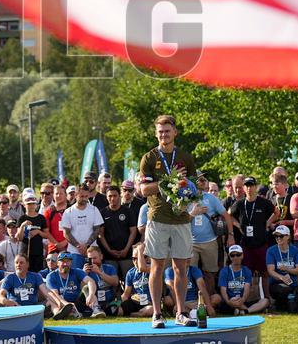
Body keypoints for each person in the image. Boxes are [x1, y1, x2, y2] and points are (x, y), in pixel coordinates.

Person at [138, 114, 200, 328]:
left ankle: (181, 312)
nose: (164, 134)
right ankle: (156, 314)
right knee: (156, 267)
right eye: (160, 132)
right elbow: (144, 189)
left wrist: (195, 186)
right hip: (158, 217)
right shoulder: (149, 158)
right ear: (156, 134)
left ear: (175, 132)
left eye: (167, 131)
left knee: (181, 268)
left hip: (181, 218)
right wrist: (169, 181)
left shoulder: (186, 157)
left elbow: (193, 187)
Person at [229, 176, 277, 302]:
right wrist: (237, 225)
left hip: (261, 244)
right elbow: (228, 215)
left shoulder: (263, 202)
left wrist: (267, 223)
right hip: (246, 244)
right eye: (247, 186)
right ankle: (248, 300)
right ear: (244, 188)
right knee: (247, 274)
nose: (249, 188)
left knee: (265, 273)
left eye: (251, 185)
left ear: (255, 187)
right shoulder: (239, 204)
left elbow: (277, 212)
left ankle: (267, 299)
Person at [188, 172, 232, 297]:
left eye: (204, 179)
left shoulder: (211, 198)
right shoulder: (186, 198)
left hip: (210, 241)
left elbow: (227, 216)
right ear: (192, 182)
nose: (203, 182)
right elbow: (181, 220)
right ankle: (192, 300)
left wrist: (231, 235)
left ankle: (210, 301)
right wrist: (193, 213)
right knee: (190, 272)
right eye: (200, 180)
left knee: (210, 273)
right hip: (191, 243)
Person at [213, 244, 268, 315]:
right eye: (232, 255)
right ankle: (245, 310)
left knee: (265, 301)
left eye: (238, 255)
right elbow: (223, 290)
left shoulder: (247, 270)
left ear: (242, 255)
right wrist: (228, 301)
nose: (235, 257)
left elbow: (247, 288)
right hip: (229, 300)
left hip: (243, 300)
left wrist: (242, 300)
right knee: (219, 300)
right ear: (229, 257)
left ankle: (244, 311)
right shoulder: (224, 271)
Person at [98, 185, 139, 279]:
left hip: (127, 254)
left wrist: (126, 249)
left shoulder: (128, 211)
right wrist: (109, 250)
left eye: (115, 195)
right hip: (109, 256)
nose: (112, 198)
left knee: (129, 281)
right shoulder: (102, 213)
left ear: (119, 196)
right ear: (106, 197)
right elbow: (101, 235)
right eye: (110, 196)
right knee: (110, 282)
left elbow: (133, 232)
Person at [60, 184, 104, 270]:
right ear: (75, 195)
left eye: (86, 196)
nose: (84, 198)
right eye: (82, 196)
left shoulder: (94, 210)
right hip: (74, 252)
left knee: (93, 276)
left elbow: (97, 230)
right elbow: (66, 233)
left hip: (92, 252)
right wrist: (78, 246)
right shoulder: (68, 212)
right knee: (77, 277)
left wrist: (86, 246)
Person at [44, 251, 100, 319]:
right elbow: (55, 294)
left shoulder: (77, 271)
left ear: (71, 263)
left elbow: (90, 281)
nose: (65, 264)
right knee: (51, 298)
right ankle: (59, 313)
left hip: (77, 302)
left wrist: (91, 295)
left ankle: (96, 310)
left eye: (68, 261)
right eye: (62, 261)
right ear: (57, 263)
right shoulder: (51, 276)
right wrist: (67, 304)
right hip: (61, 302)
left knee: (87, 288)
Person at [266, 225, 298, 311]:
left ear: (288, 237)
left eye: (281, 236)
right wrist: (282, 278)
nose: (278, 238)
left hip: (292, 284)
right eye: (276, 236)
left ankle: (286, 305)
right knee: (283, 290)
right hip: (277, 284)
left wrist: (287, 269)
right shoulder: (271, 250)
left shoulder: (295, 250)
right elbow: (270, 270)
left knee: (295, 292)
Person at [16, 192, 53, 273]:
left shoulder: (41, 218)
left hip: (38, 252)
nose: (31, 206)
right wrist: (22, 226)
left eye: (33, 204)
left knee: (38, 274)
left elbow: (46, 235)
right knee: (24, 273)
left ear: (36, 205)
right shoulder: (21, 218)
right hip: (25, 252)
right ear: (24, 205)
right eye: (28, 204)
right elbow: (19, 238)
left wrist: (38, 232)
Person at [121, 243, 155, 317]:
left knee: (151, 310)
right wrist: (118, 303)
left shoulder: (153, 268)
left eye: (140, 257)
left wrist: (140, 250)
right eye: (134, 258)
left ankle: (133, 314)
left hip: (150, 303)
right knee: (120, 309)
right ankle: (138, 313)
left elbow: (142, 268)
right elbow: (126, 294)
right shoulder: (131, 273)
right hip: (136, 302)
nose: (136, 261)